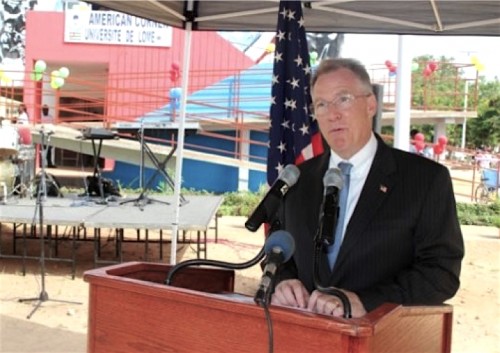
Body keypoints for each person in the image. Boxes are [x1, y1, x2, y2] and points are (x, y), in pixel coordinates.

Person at [271, 58, 464, 318]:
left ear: (371, 104)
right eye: (321, 104)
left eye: (343, 99)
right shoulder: (297, 180)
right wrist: (283, 281)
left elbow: (441, 273)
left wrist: (367, 302)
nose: (332, 113)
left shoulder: (426, 180)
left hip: (383, 337)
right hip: (307, 335)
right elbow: (278, 254)